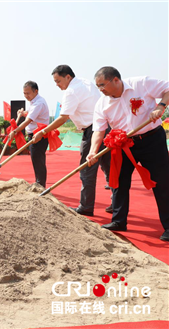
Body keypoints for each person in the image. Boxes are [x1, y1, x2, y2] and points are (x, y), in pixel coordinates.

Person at [86, 67, 169, 242]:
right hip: (124, 144)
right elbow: (98, 131)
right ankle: (118, 221)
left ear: (115, 80)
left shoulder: (141, 83)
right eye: (98, 86)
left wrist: (161, 106)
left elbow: (167, 90)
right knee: (118, 182)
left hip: (151, 139)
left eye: (102, 85)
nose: (100, 89)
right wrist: (93, 152)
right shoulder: (102, 103)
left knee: (161, 182)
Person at [32, 65, 112, 216]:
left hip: (93, 130)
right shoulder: (85, 82)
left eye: (58, 81)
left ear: (68, 77)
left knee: (87, 170)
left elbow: (63, 117)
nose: (57, 85)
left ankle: (86, 207)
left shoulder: (71, 91)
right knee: (109, 167)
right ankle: (116, 202)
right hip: (105, 128)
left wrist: (43, 131)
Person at [7, 81, 50, 187]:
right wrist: (23, 113)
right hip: (34, 135)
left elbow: (28, 120)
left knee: (38, 161)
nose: (26, 96)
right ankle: (39, 183)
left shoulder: (38, 103)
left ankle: (40, 185)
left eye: (28, 93)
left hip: (39, 136)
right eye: (24, 93)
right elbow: (30, 114)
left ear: (36, 91)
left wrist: (15, 131)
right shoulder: (34, 101)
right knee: (36, 160)